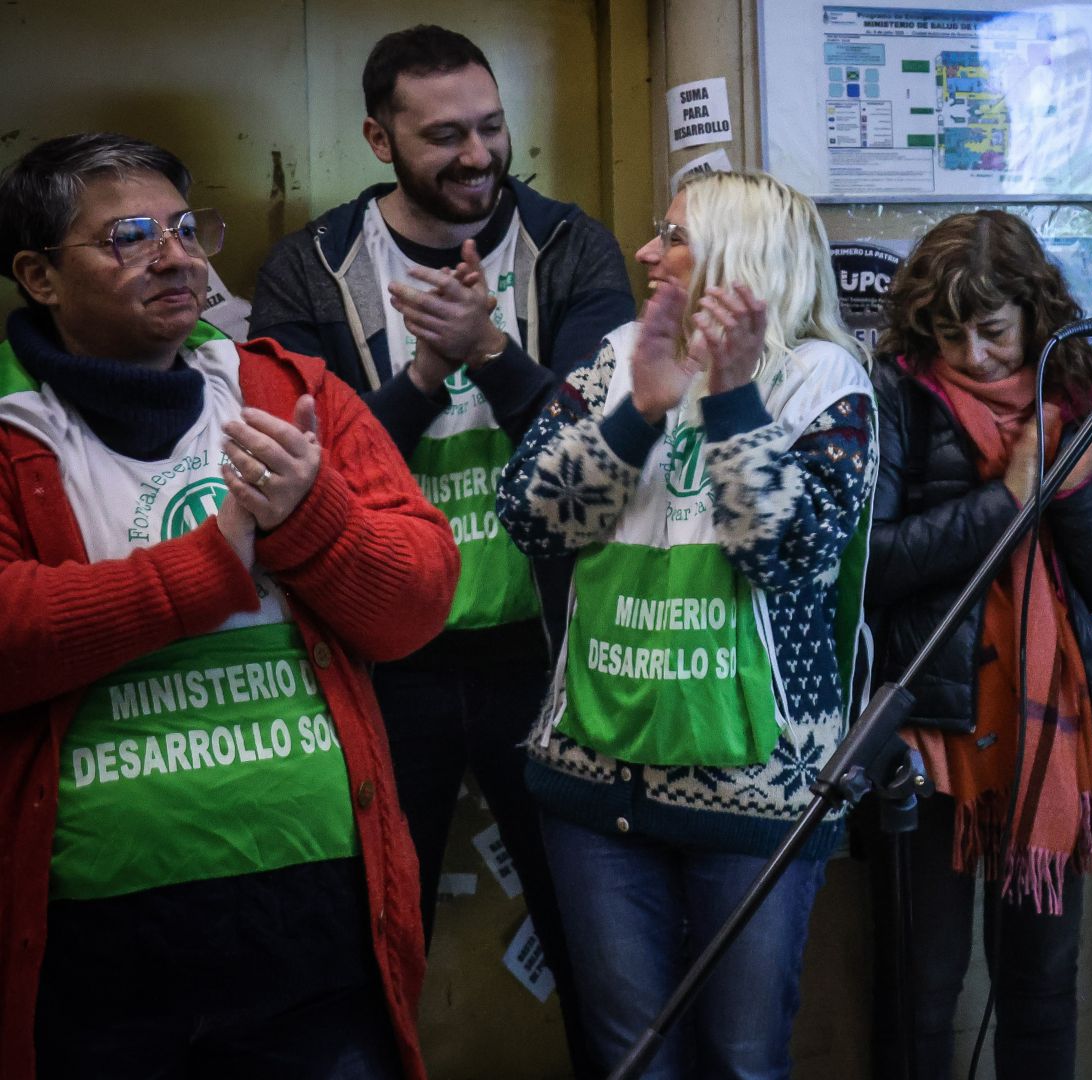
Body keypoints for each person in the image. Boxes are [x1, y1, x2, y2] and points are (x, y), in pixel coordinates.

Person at [0, 132, 458, 1079]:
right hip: (92, 943)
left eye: (183, 226)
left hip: (317, 922)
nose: (177, 256)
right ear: (39, 277)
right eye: (128, 236)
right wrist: (210, 569)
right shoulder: (11, 430)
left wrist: (306, 519)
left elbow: (415, 601)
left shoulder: (288, 391)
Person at [248, 25, 633, 1067]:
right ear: (380, 137)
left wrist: (491, 353)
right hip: (382, 662)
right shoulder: (314, 268)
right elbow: (306, 470)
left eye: (493, 127)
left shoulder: (569, 248)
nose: (477, 156)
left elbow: (608, 446)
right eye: (444, 136)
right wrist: (425, 375)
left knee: (599, 958)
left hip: (552, 657)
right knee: (367, 951)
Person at [496, 169, 874, 1078]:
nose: (646, 251)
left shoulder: (828, 377)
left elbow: (785, 557)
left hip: (756, 789)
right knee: (631, 1058)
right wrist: (639, 411)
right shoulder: (618, 355)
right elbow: (530, 518)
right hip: (594, 777)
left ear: (739, 261)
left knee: (742, 1059)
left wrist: (734, 395)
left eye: (672, 235)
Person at [861, 210, 1092, 1079]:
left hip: (1047, 738)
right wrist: (1010, 496)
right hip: (930, 738)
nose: (976, 356)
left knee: (1042, 983)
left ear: (1036, 315)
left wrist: (1068, 488)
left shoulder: (1080, 397)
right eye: (951, 335)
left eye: (992, 330)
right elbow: (869, 570)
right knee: (921, 987)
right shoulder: (895, 396)